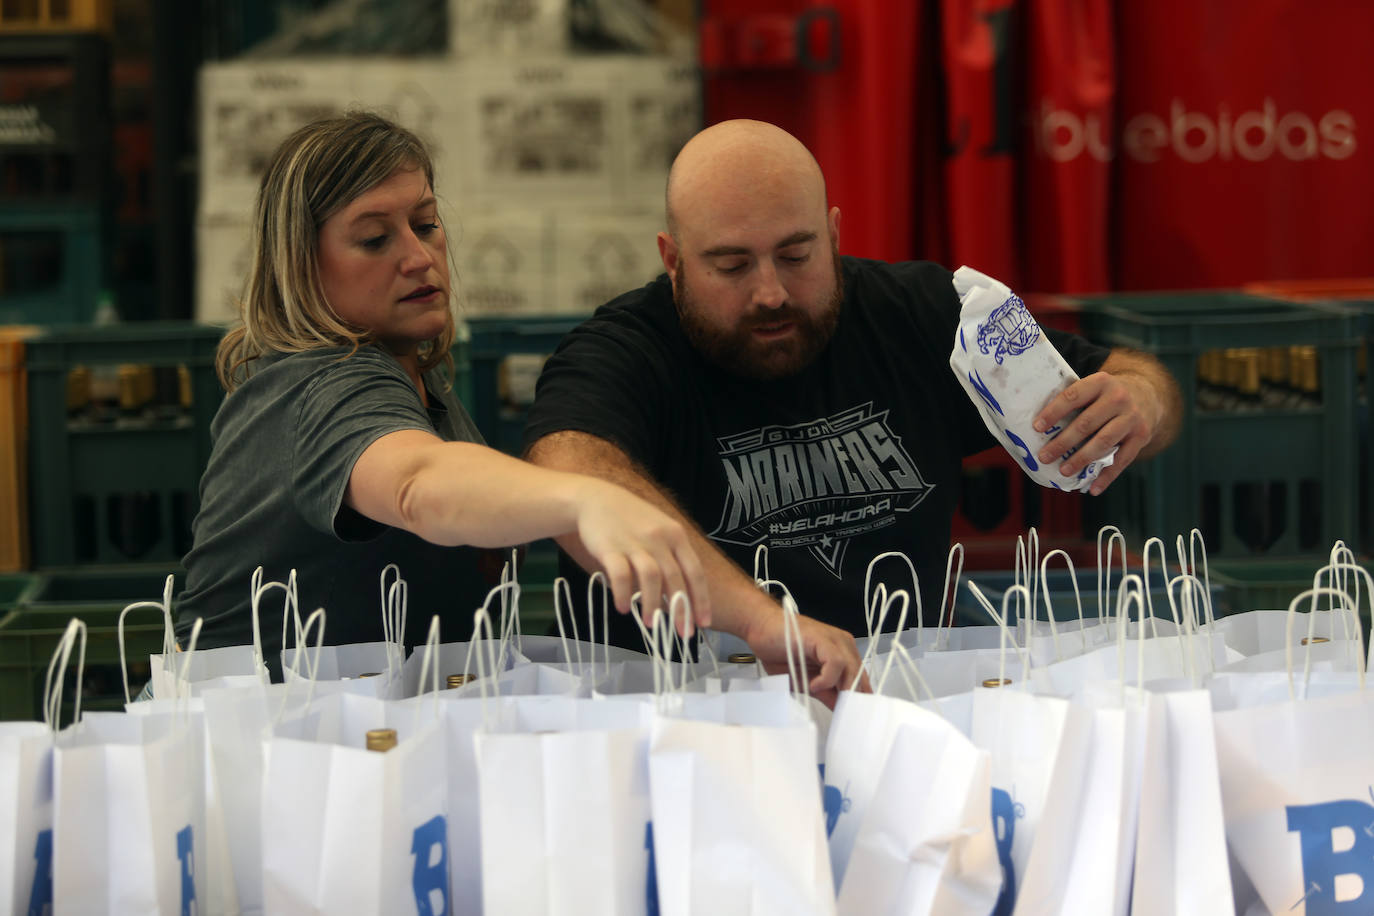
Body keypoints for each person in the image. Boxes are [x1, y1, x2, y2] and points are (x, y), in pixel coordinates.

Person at [524, 118, 1182, 648]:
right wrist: (756, 620)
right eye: (730, 265)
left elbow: (1130, 378)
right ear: (672, 260)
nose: (771, 292)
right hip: (681, 718)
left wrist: (1139, 399)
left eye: (796, 254)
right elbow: (567, 462)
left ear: (834, 235)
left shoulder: (923, 313)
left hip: (898, 693)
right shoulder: (627, 349)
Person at [174, 112, 740, 675]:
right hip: (251, 734)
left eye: (425, 225)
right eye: (374, 239)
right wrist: (587, 500)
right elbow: (417, 483)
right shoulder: (319, 383)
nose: (419, 258)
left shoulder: (412, 370)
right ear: (299, 266)